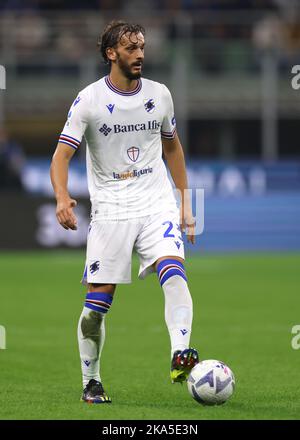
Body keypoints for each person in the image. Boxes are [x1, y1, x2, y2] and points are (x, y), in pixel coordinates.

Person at [50, 20, 199, 404]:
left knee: (174, 269)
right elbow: (61, 156)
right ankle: (91, 380)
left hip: (155, 201)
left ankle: (179, 352)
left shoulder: (160, 95)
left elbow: (172, 149)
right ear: (111, 54)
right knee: (97, 307)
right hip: (112, 209)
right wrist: (62, 196)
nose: (141, 55)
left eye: (143, 47)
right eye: (132, 49)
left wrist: (184, 202)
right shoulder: (89, 100)